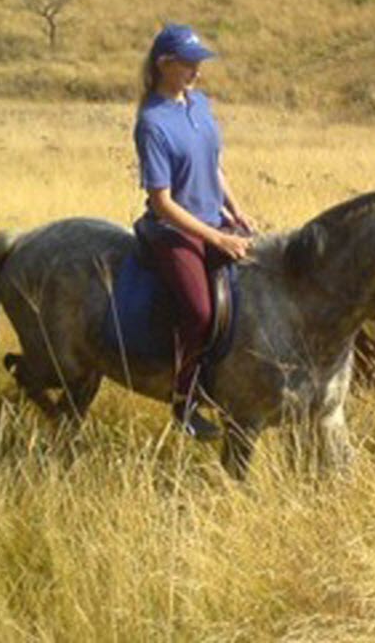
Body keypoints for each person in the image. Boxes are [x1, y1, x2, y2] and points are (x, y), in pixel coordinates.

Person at [132, 23, 255, 439]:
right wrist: (216, 238)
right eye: (188, 64)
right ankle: (184, 402)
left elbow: (213, 167)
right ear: (164, 64)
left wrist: (237, 212)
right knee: (200, 313)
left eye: (198, 63)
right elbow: (161, 201)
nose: (196, 71)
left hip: (215, 220)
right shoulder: (152, 122)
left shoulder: (199, 104)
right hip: (174, 231)